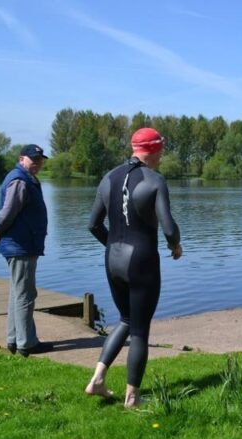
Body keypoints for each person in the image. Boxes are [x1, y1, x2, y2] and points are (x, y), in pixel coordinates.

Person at [85, 127, 183, 407]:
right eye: (161, 148)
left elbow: (92, 224)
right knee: (140, 330)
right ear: (154, 149)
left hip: (113, 259)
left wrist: (112, 245)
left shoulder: (108, 178)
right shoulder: (154, 181)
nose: (163, 154)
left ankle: (98, 379)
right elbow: (168, 227)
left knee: (126, 320)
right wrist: (175, 246)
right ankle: (132, 397)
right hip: (141, 261)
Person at [0, 144, 53, 357]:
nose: (38, 163)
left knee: (17, 293)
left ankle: (14, 340)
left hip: (21, 243)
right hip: (21, 245)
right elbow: (8, 212)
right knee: (25, 295)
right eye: (34, 160)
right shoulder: (20, 180)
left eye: (40, 160)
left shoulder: (24, 178)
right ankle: (27, 343)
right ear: (22, 159)